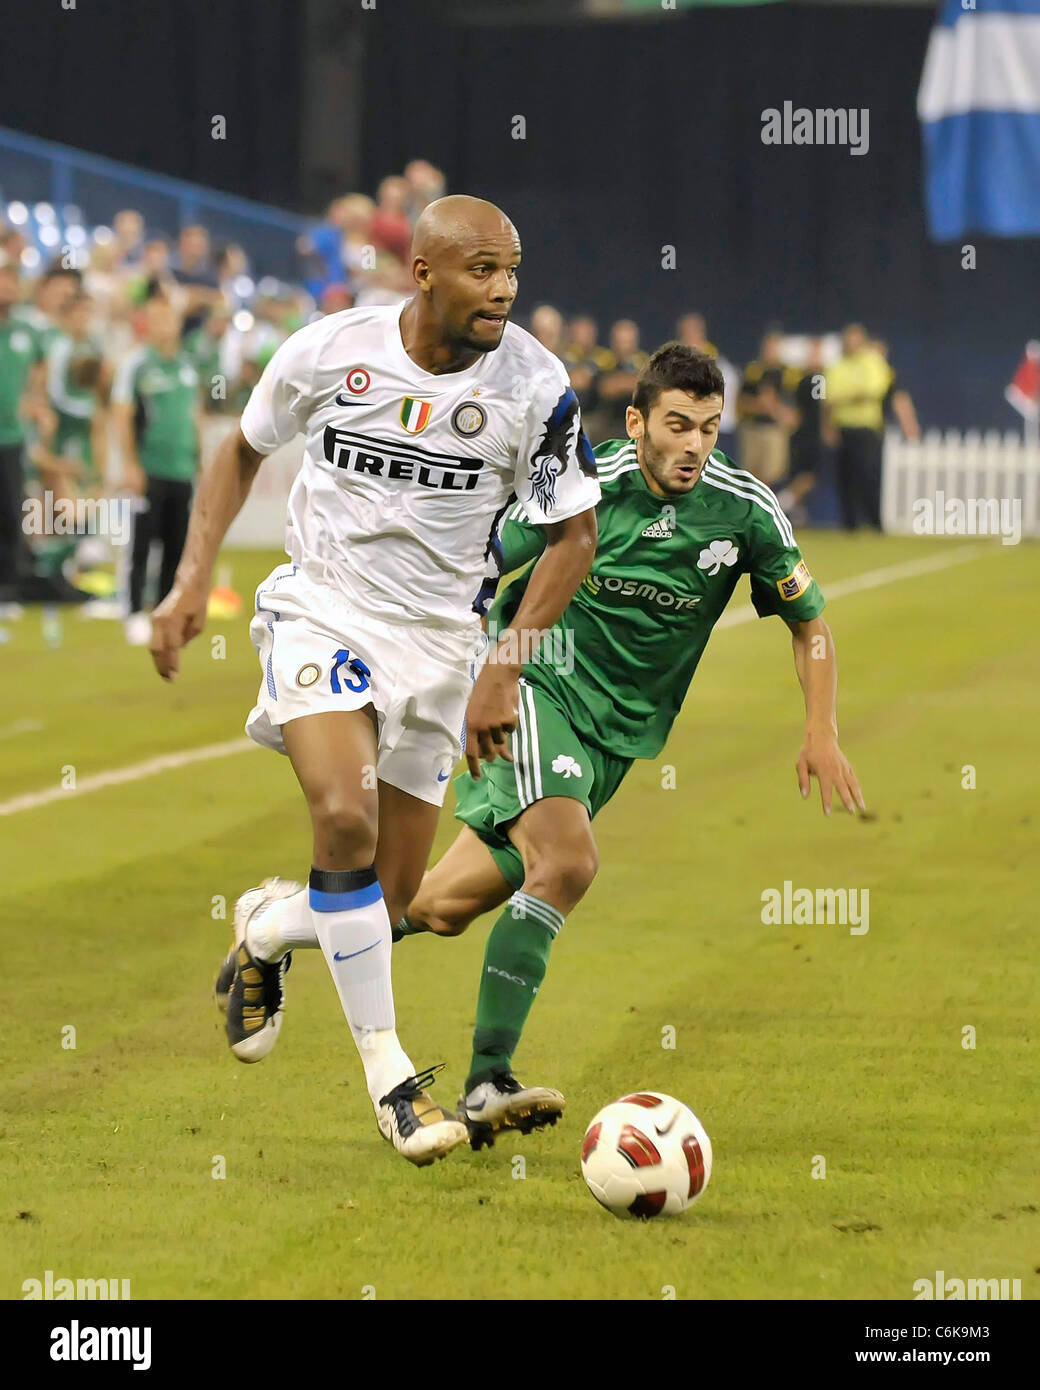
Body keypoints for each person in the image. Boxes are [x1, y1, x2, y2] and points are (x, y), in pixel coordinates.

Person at [154, 195, 600, 1166]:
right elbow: (240, 449)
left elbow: (574, 535)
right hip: (325, 610)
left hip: (442, 649)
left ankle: (270, 926)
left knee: (387, 901)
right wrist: (194, 578)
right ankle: (395, 1084)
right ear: (423, 273)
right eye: (481, 269)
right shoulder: (328, 351)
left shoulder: (533, 383)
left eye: (512, 268)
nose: (503, 289)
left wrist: (500, 666)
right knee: (343, 821)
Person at [398, 343, 865, 1145]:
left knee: (441, 906)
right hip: (535, 686)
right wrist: (476, 659)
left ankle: (285, 926)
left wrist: (819, 727)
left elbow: (809, 622)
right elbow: (479, 563)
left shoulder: (745, 510)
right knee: (569, 862)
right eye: (677, 425)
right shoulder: (583, 489)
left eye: (710, 429)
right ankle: (487, 1081)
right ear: (637, 421)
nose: (693, 445)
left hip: (618, 734)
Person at [111, 298, 201, 645]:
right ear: (146, 323)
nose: (165, 324)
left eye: (169, 318)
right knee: (141, 544)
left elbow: (193, 415)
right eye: (157, 318)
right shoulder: (136, 366)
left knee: (177, 546)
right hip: (149, 470)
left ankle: (164, 610)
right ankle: (133, 612)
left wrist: (200, 458)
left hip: (182, 470)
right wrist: (130, 464)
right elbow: (122, 415)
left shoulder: (186, 366)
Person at [823, 324, 893, 530]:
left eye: (854, 339)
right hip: (843, 428)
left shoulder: (873, 361)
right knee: (845, 478)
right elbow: (828, 398)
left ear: (862, 340)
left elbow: (872, 392)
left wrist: (843, 399)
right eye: (847, 339)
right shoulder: (836, 366)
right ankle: (849, 524)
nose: (850, 344)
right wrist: (829, 424)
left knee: (868, 476)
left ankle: (874, 522)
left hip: (867, 429)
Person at [738, 329, 799, 485]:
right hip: (752, 429)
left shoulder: (789, 374)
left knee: (771, 478)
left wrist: (773, 408)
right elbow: (741, 401)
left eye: (774, 346)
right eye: (768, 345)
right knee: (750, 478)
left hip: (775, 432)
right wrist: (761, 405)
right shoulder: (754, 371)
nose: (770, 350)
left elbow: (793, 411)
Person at [597, 319, 649, 436]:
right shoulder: (605, 361)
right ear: (613, 341)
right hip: (609, 422)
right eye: (620, 341)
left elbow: (647, 385)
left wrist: (620, 382)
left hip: (638, 420)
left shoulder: (644, 361)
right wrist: (631, 382)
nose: (624, 346)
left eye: (628, 341)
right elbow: (606, 388)